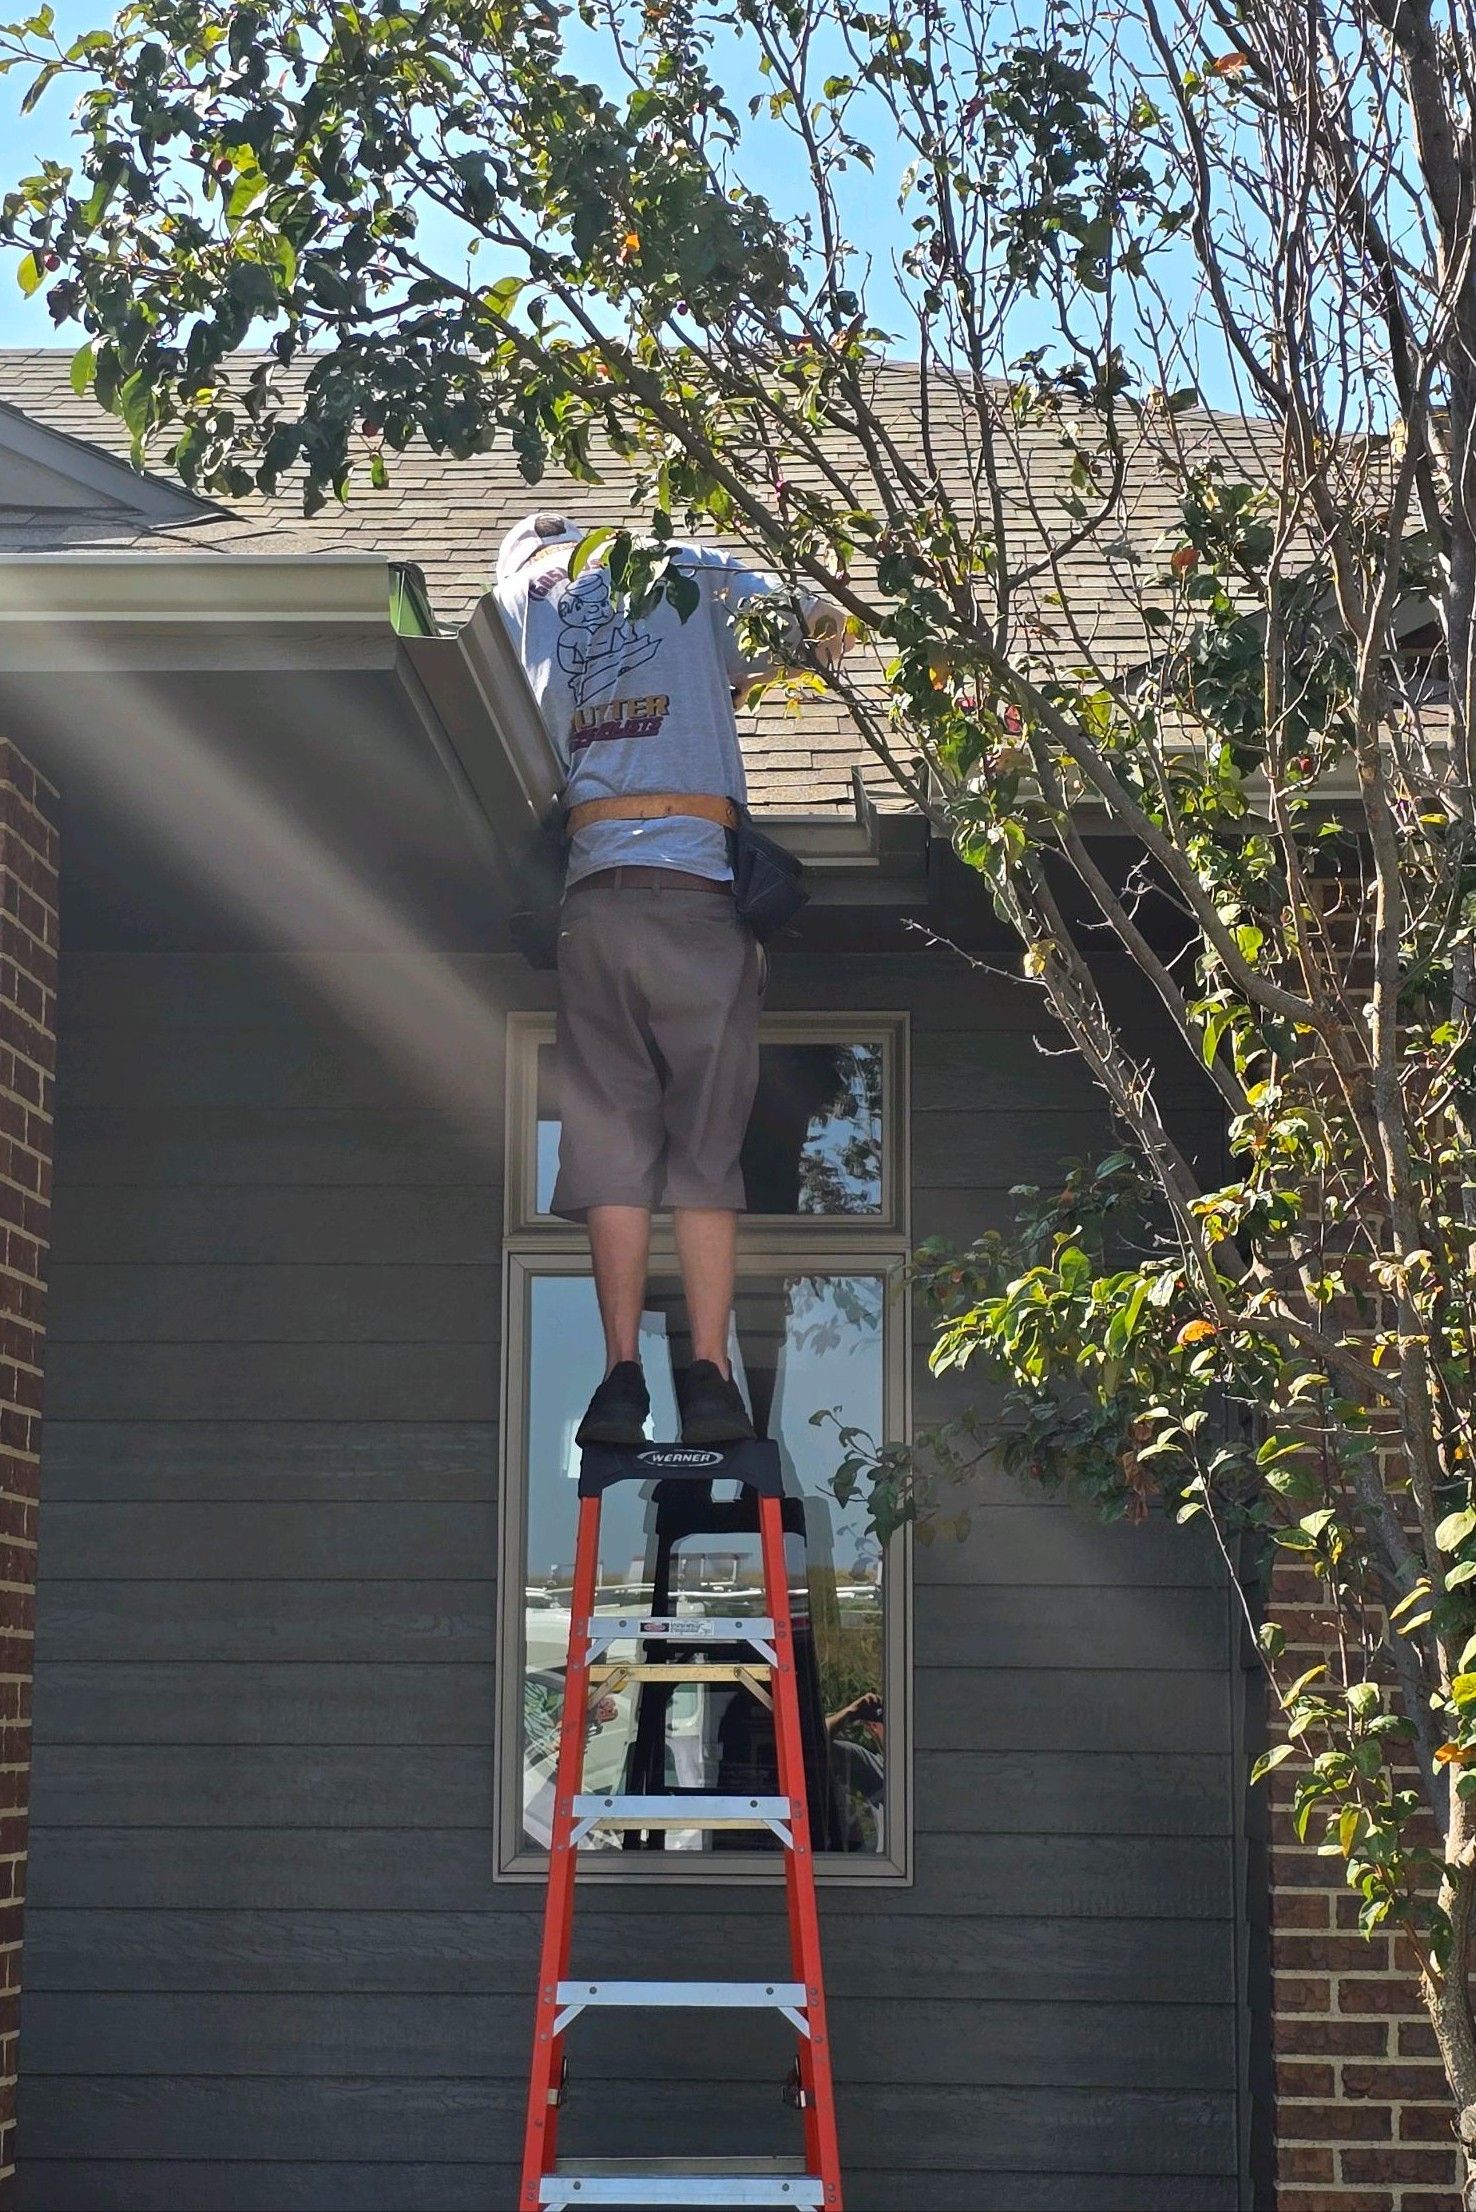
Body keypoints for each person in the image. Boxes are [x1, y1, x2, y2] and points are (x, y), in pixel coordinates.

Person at [495, 512, 846, 1448]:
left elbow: (496, 650)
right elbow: (813, 624)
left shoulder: (529, 593)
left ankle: (619, 1379)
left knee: (611, 1147)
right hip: (694, 892)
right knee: (704, 1147)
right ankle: (711, 1379)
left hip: (593, 897)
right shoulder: (692, 567)